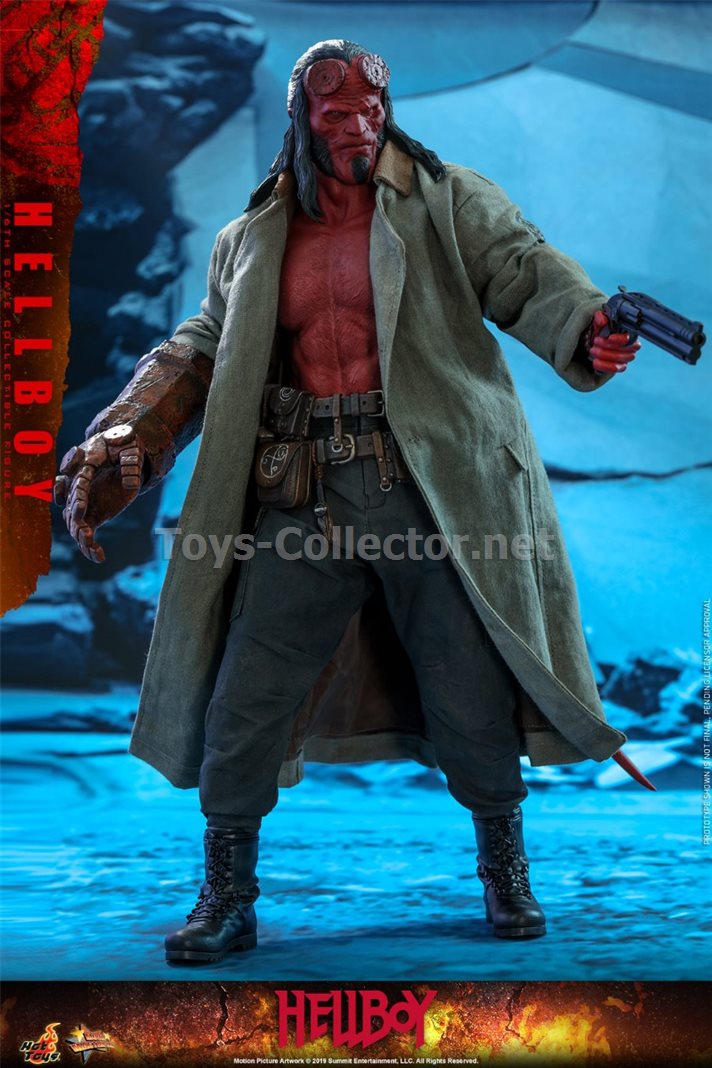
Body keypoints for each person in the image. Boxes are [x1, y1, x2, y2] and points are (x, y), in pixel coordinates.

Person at [55, 39, 640, 963]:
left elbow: (525, 270)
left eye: (372, 111)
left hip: (428, 489)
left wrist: (588, 324)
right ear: (304, 120)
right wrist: (128, 429)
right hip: (303, 496)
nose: (360, 127)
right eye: (338, 115)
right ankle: (227, 895)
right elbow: (203, 345)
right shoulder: (252, 238)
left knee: (469, 687)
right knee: (246, 696)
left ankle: (505, 871)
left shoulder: (445, 201)